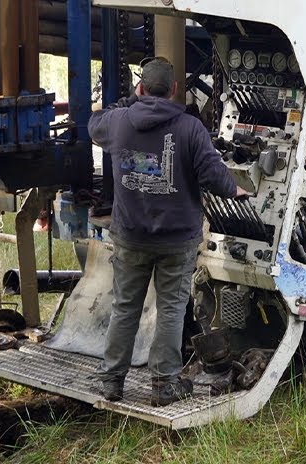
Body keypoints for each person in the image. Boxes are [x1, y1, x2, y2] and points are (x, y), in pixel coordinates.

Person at [88, 56, 247, 406]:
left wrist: (127, 101)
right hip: (177, 241)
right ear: (175, 89)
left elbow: (93, 124)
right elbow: (214, 176)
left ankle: (112, 381)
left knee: (125, 307)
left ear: (141, 87)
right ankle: (163, 385)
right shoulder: (190, 128)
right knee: (171, 309)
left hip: (130, 236)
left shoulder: (118, 122)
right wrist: (236, 189)